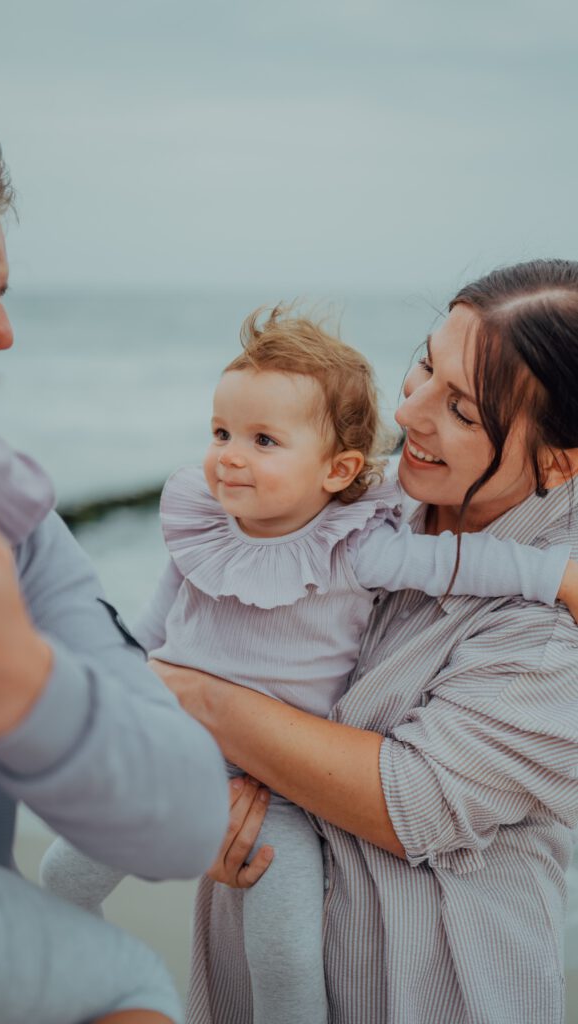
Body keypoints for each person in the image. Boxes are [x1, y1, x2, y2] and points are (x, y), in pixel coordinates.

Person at [42, 305, 578, 1024]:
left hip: (424, 994)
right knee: (66, 870)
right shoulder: (363, 497)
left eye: (459, 407)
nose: (408, 411)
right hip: (225, 828)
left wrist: (192, 702)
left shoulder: (541, 635)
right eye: (423, 364)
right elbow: (149, 632)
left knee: (282, 950)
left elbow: (411, 800)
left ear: (555, 459)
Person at [0, 117, 228, 1021]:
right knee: (129, 986)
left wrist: (22, 689)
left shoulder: (20, 538)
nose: (3, 329)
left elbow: (190, 813)